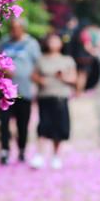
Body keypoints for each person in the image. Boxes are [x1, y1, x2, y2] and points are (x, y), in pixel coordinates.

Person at [0, 19, 41, 164]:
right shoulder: (3, 43)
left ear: (22, 28)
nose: (14, 31)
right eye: (12, 28)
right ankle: (4, 150)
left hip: (24, 91)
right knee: (4, 122)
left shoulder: (31, 44)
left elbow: (37, 65)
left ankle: (22, 149)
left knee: (23, 123)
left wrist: (35, 81)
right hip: (4, 91)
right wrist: (2, 71)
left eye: (17, 28)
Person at [30, 33, 77, 169]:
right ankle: (39, 154)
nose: (53, 43)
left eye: (56, 41)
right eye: (51, 40)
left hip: (61, 97)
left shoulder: (67, 60)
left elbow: (74, 79)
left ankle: (56, 156)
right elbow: (33, 75)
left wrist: (63, 77)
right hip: (45, 96)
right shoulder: (41, 59)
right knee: (43, 125)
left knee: (59, 127)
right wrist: (41, 80)